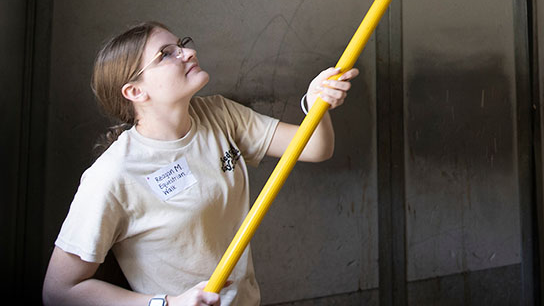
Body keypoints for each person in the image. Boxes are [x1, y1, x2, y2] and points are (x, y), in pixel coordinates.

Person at [42, 21, 359, 306]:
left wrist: (317, 100)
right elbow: (60, 290)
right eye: (166, 54)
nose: (188, 52)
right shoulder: (112, 176)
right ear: (135, 91)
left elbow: (316, 147)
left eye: (181, 44)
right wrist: (167, 305)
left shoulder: (220, 115)